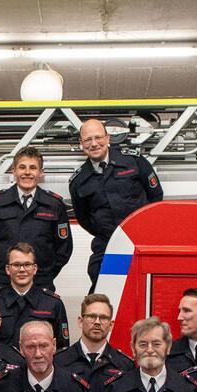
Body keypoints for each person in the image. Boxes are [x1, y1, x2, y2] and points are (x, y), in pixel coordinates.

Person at [69, 119, 163, 290]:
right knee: (105, 290)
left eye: (98, 137)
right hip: (108, 244)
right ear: (81, 144)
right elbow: (84, 219)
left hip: (141, 242)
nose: (94, 143)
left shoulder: (134, 161)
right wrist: (108, 232)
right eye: (88, 139)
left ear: (108, 138)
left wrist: (144, 229)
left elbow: (156, 196)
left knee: (146, 288)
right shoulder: (79, 181)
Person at [0, 148, 73, 291]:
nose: (27, 172)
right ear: (14, 171)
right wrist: (3, 270)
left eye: (33, 168)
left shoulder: (54, 204)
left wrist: (46, 272)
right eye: (22, 167)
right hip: (5, 282)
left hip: (42, 281)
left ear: (40, 172)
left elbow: (64, 248)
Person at [0, 243, 69, 350]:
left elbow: (62, 348)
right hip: (3, 361)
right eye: (16, 265)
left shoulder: (53, 303)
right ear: (8, 269)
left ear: (35, 269)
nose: (22, 270)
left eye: (27, 264)